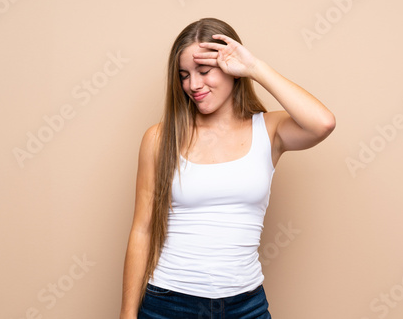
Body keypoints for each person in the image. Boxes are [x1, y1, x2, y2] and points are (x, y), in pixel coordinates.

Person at [119, 17, 335, 319]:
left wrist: (255, 68)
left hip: (245, 307)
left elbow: (322, 123)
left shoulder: (268, 130)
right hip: (168, 304)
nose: (193, 85)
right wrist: (127, 316)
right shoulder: (159, 138)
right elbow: (141, 230)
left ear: (232, 70)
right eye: (184, 75)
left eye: (204, 71)